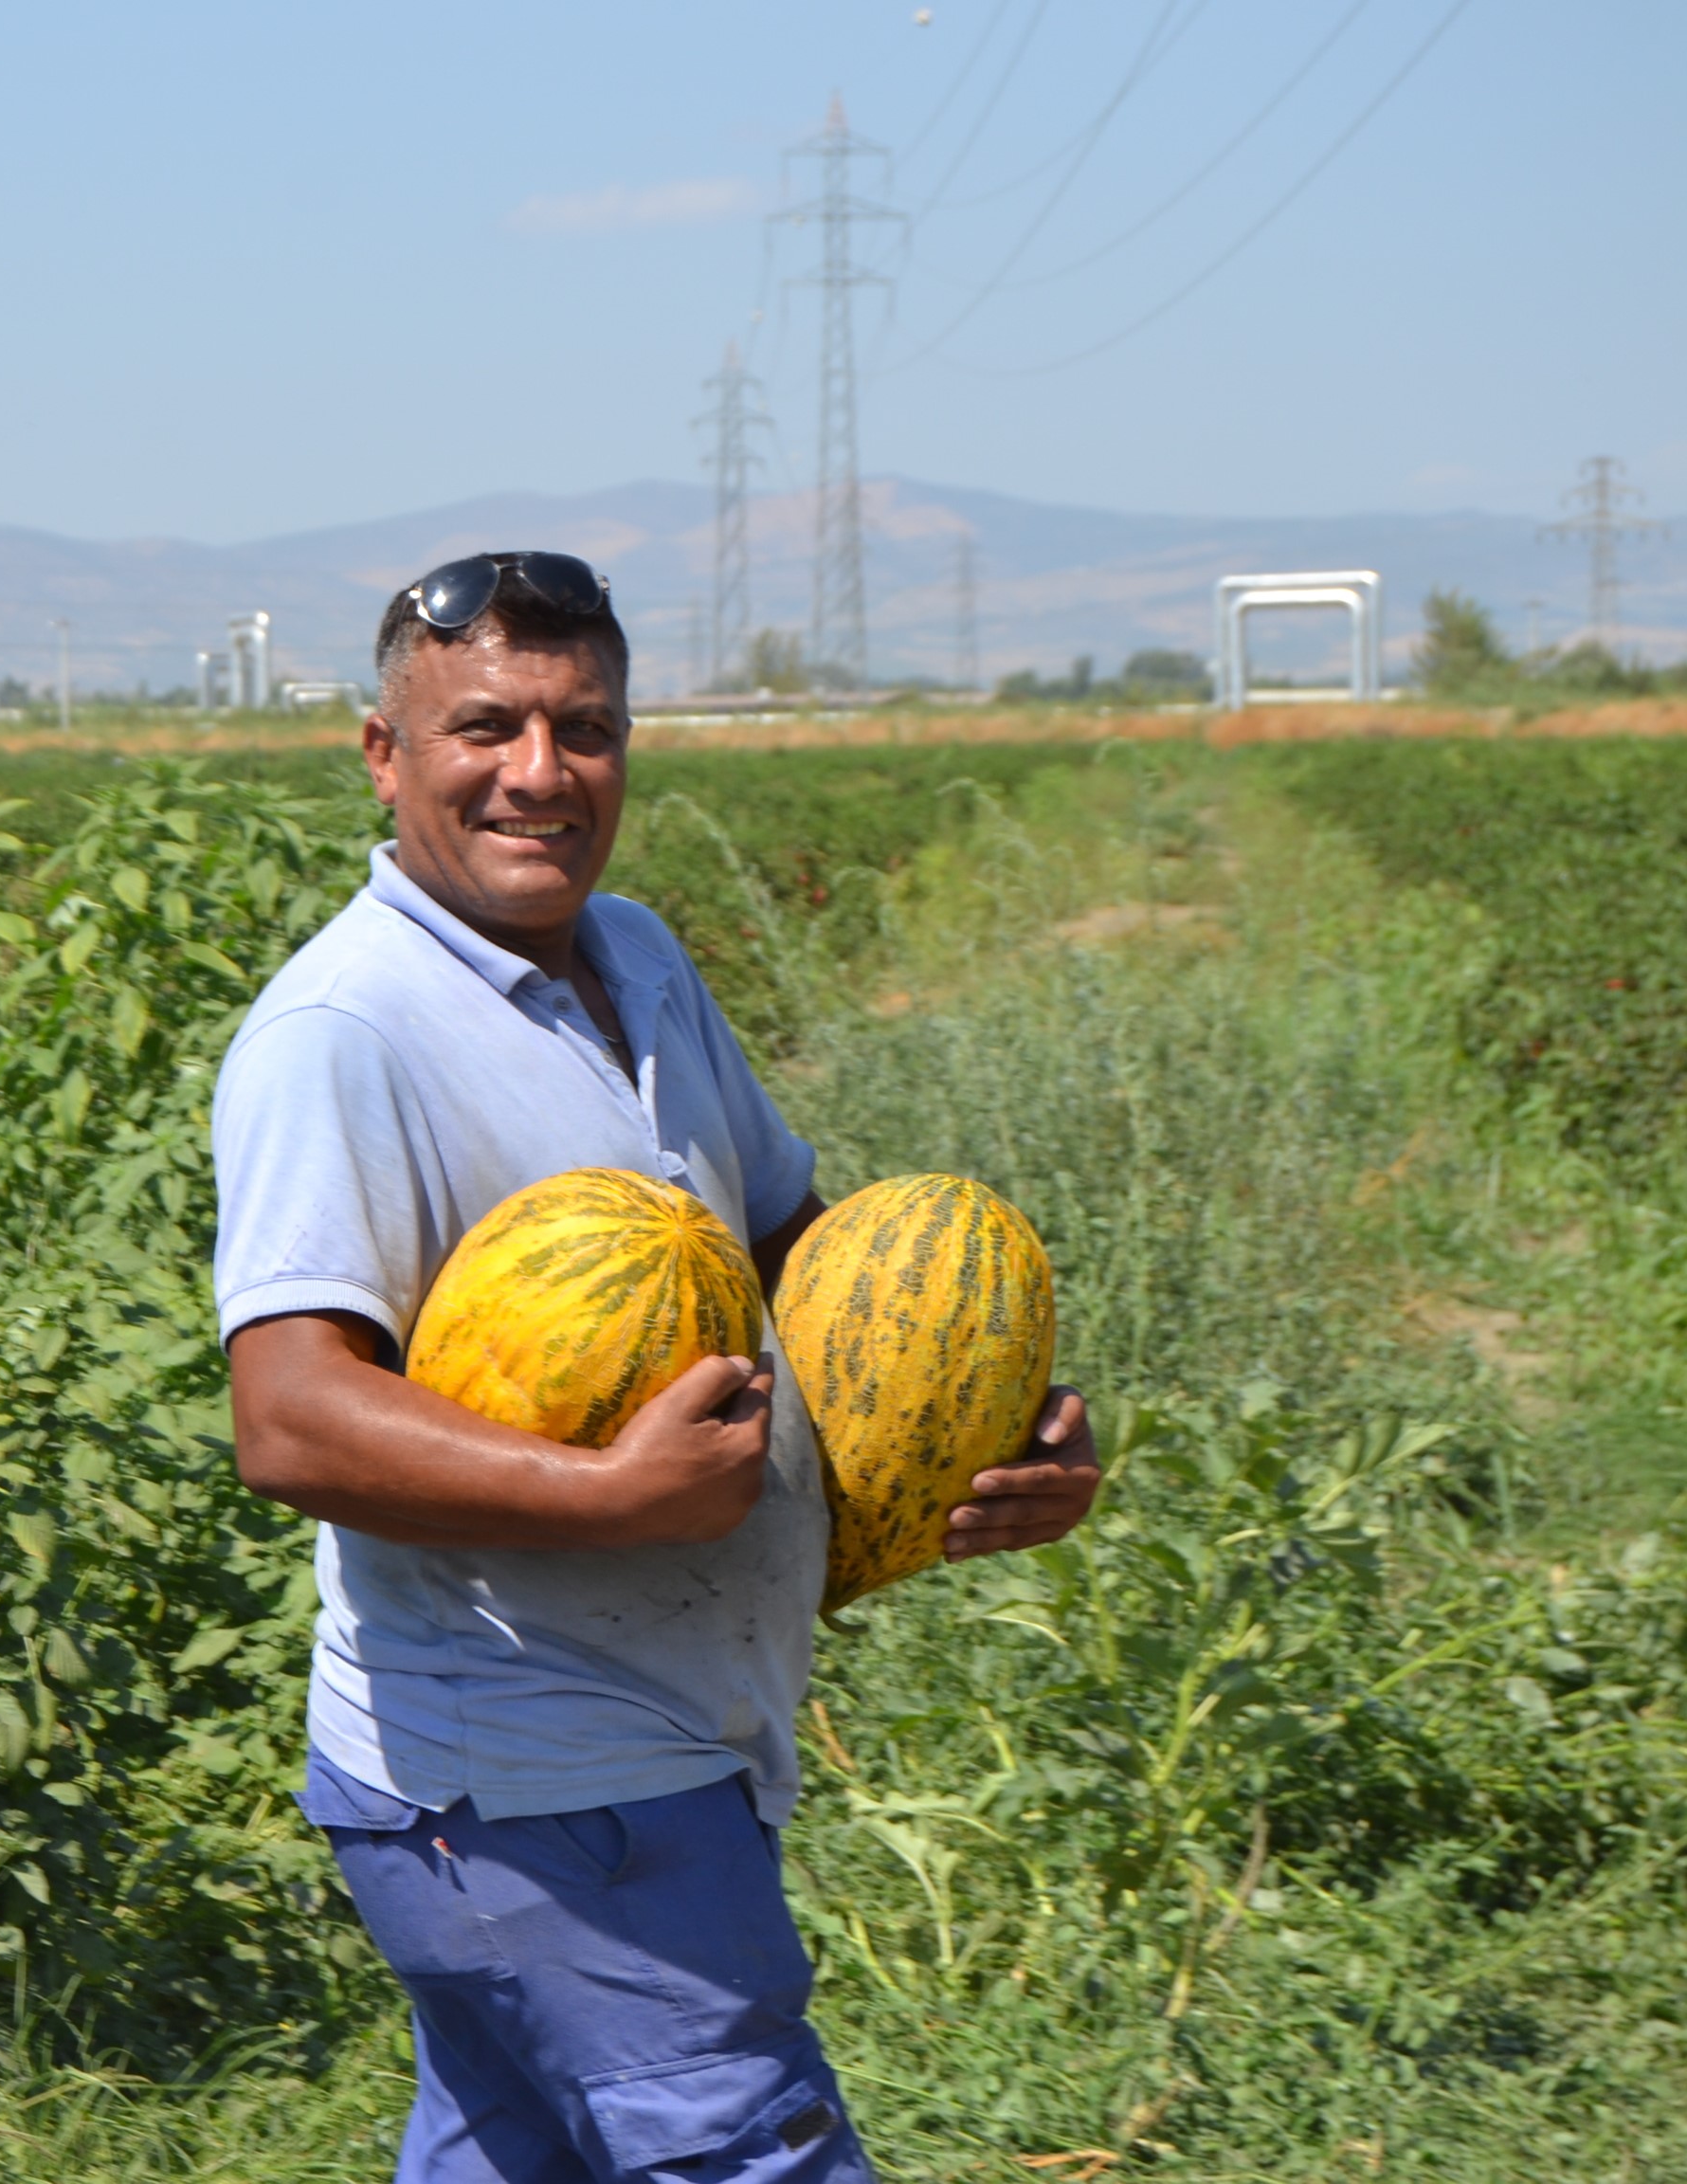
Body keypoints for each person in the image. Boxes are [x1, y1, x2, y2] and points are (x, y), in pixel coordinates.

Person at [209, 552, 1101, 2184]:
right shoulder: (344, 1032)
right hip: (540, 1783)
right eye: (486, 727)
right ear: (382, 754)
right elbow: (290, 1417)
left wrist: (976, 1421)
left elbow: (793, 1252)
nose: (541, 775)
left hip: (644, 1754)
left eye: (587, 728)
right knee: (750, 2151)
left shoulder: (642, 956)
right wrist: (610, 1494)